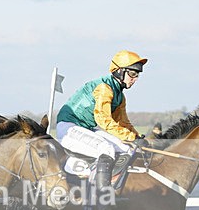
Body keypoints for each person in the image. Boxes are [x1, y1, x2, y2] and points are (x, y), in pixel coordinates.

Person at [55, 49, 149, 194]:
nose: (135, 78)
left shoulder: (120, 96)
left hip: (86, 128)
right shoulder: (104, 88)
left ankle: (120, 187)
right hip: (69, 127)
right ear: (119, 71)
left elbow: (123, 122)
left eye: (137, 75)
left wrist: (137, 138)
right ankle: (102, 194)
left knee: (127, 149)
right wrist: (130, 137)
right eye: (132, 74)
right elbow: (103, 120)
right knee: (107, 149)